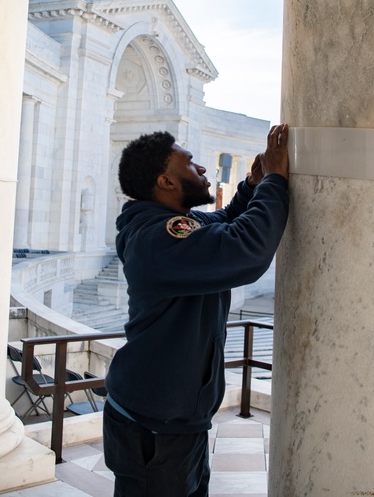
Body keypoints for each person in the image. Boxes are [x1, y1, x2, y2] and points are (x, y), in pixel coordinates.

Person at [103, 124, 290, 496]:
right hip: (154, 429)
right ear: (166, 183)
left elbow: (221, 223)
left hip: (170, 421)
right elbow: (246, 249)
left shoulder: (167, 226)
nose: (202, 169)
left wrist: (251, 188)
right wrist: (275, 182)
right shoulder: (158, 239)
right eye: (189, 164)